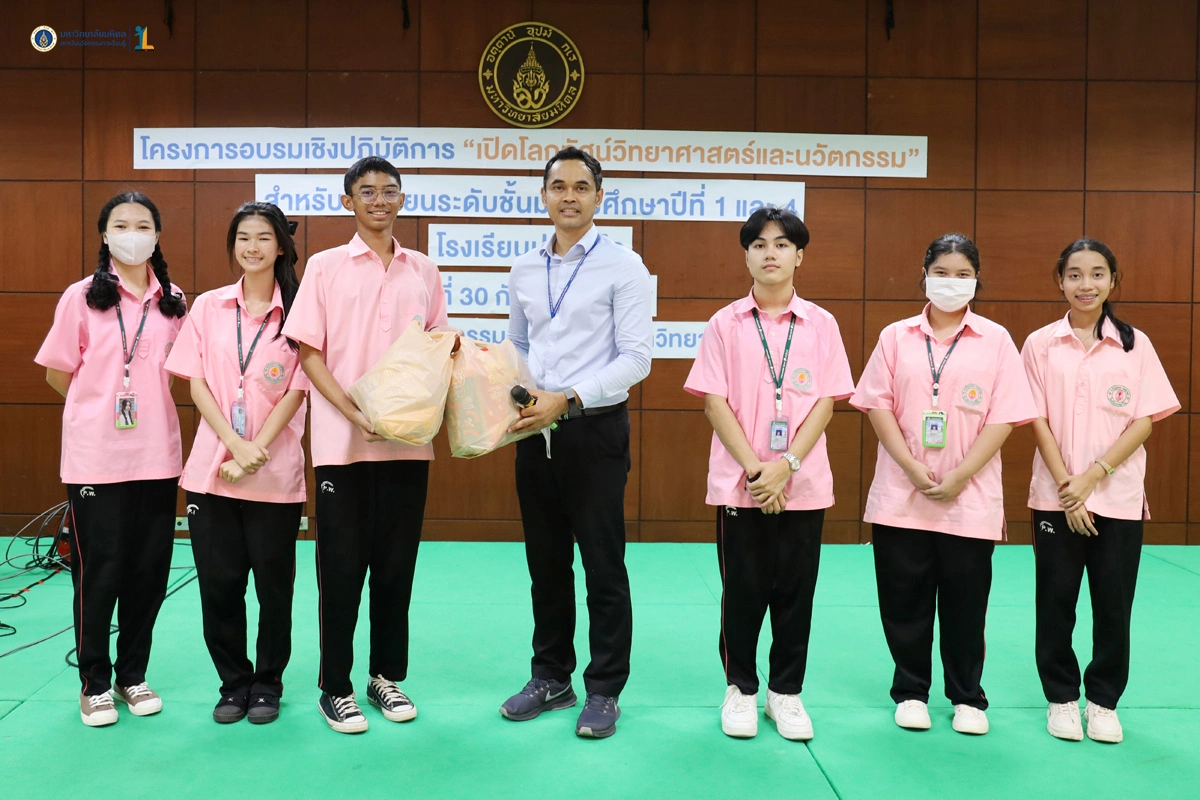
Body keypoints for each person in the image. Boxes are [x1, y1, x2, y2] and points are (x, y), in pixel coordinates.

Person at [282, 156, 449, 734]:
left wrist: (415, 409)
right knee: (341, 568)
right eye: (368, 191)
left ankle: (386, 677)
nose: (380, 200)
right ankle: (336, 686)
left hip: (407, 443)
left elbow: (435, 350)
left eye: (390, 191)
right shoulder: (326, 267)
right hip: (342, 444)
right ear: (348, 201)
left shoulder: (423, 269)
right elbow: (308, 353)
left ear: (402, 199)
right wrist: (354, 412)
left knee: (396, 568)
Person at [850, 233, 1037, 736]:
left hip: (968, 497)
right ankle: (911, 691)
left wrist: (960, 474)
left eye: (962, 274)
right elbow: (877, 405)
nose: (951, 282)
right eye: (941, 272)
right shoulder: (896, 336)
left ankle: (967, 697)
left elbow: (1005, 416)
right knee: (903, 601)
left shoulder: (995, 340)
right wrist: (911, 467)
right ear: (925, 275)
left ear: (976, 279)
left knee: (965, 604)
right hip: (902, 493)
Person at [684, 207, 854, 741]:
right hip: (742, 483)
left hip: (802, 483)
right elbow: (713, 401)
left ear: (799, 256)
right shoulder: (725, 323)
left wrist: (787, 466)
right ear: (747, 256)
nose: (770, 253)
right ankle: (740, 688)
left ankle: (786, 692)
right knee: (743, 590)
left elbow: (827, 401)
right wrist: (759, 472)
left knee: (795, 592)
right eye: (759, 244)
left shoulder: (822, 324)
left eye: (781, 244)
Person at [500, 147, 653, 739]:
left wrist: (566, 398)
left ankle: (605, 687)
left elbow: (636, 358)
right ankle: (550, 677)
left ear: (598, 197)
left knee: (602, 566)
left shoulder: (624, 266)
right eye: (558, 186)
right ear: (543, 195)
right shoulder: (523, 268)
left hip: (594, 429)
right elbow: (518, 344)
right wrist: (519, 394)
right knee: (545, 564)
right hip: (534, 430)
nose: (569, 196)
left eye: (581, 187)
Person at [35, 192, 187, 727]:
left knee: (149, 571)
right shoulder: (81, 297)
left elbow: (178, 376)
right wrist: (96, 412)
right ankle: (94, 683)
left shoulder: (174, 300)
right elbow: (58, 374)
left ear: (157, 235)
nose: (132, 234)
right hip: (95, 460)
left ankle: (132, 675)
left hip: (157, 458)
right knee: (99, 571)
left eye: (142, 225)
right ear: (104, 235)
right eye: (120, 225)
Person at [1021, 238, 1179, 744]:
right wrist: (1069, 489)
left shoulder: (1136, 345)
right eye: (1074, 274)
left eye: (1096, 274)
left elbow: (1145, 420)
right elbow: (1036, 419)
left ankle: (1104, 702)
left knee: (1113, 605)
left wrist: (1092, 476)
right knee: (1056, 602)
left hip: (1118, 497)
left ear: (1113, 281)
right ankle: (1062, 698)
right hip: (1056, 498)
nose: (1084, 284)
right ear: (1060, 281)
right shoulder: (1040, 344)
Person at [165, 202, 309, 725]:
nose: (253, 247)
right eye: (243, 237)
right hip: (212, 472)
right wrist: (232, 443)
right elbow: (196, 382)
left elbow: (299, 389)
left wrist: (255, 450)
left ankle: (267, 683)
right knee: (220, 586)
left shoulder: (300, 311)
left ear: (282, 247)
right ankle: (233, 683)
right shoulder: (208, 306)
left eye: (264, 237)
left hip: (274, 473)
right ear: (233, 245)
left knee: (274, 588)